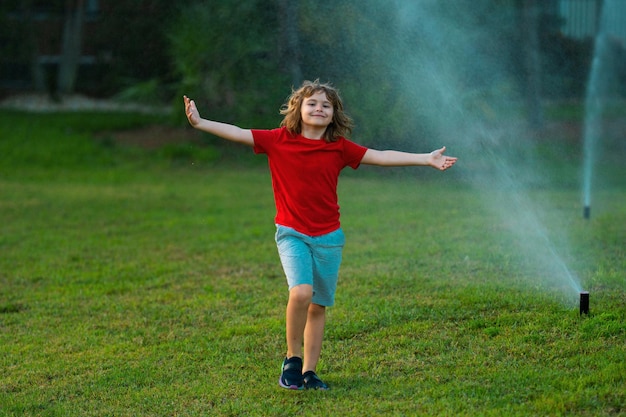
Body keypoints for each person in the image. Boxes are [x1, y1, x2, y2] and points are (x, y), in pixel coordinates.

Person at [183, 79, 457, 391]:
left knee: (317, 306)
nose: (319, 108)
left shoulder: (338, 148)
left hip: (329, 238)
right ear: (298, 109)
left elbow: (380, 156)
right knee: (301, 293)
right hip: (292, 233)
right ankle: (292, 360)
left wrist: (426, 158)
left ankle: (311, 373)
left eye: (326, 105)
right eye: (312, 103)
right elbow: (238, 132)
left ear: (334, 115)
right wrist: (200, 122)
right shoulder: (278, 140)